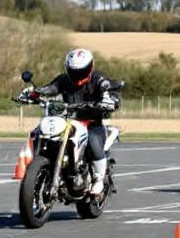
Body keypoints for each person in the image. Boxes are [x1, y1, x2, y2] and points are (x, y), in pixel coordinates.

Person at [31, 48, 118, 197]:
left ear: (90, 67)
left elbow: (112, 93)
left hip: (91, 122)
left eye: (82, 71)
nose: (78, 75)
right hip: (67, 121)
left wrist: (110, 100)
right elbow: (52, 88)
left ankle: (98, 180)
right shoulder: (64, 80)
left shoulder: (99, 80)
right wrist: (37, 92)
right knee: (38, 132)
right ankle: (40, 167)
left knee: (93, 142)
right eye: (74, 71)